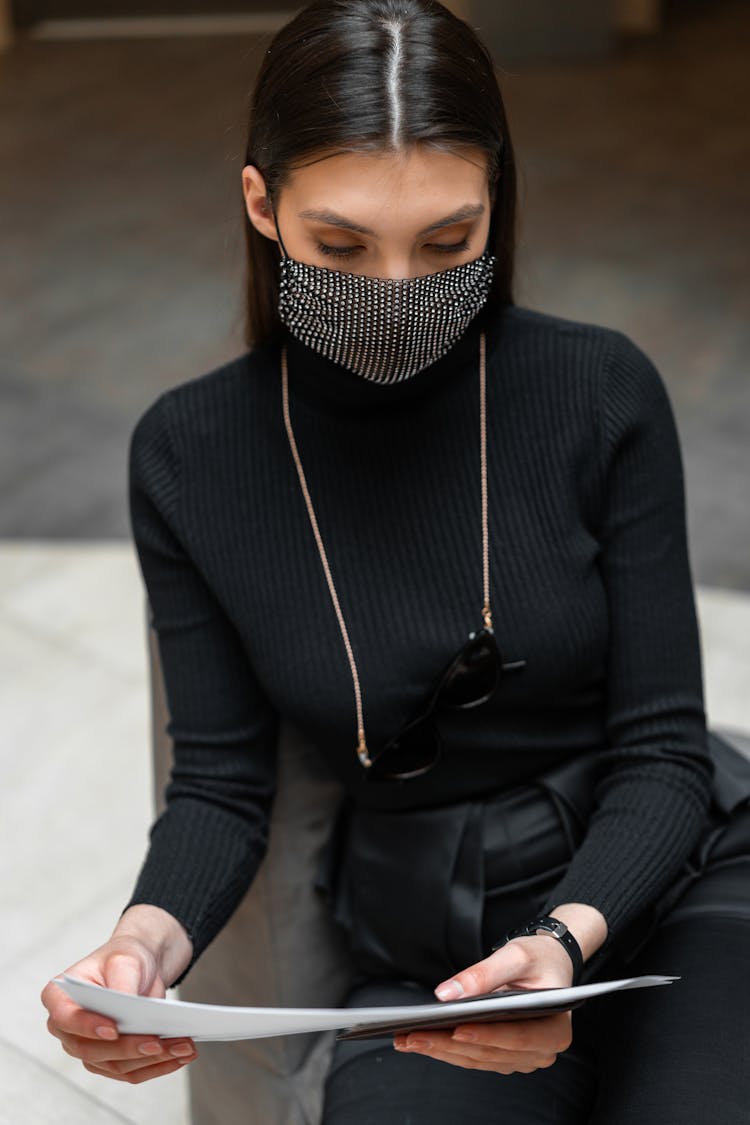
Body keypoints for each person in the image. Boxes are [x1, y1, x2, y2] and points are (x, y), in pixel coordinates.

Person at [42, 1, 750, 1121]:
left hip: (670, 890)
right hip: (431, 946)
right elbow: (222, 784)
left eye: (447, 242)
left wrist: (566, 939)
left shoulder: (599, 393)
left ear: (495, 209)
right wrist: (142, 945)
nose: (395, 291)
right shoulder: (192, 454)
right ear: (261, 205)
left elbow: (662, 751)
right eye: (341, 246)